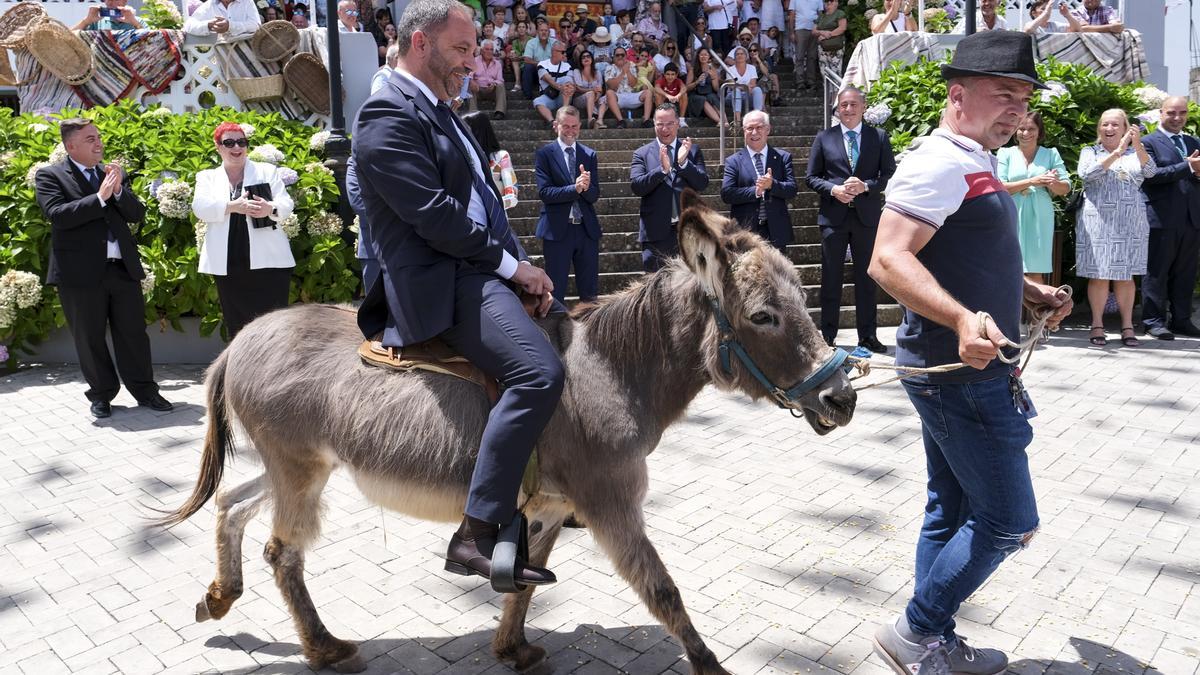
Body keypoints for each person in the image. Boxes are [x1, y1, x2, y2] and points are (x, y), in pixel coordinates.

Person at [867, 32, 1072, 675]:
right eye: (1003, 94)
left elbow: (960, 252)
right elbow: (887, 258)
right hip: (959, 371)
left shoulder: (973, 157)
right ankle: (915, 631)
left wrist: (1028, 292)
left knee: (948, 508)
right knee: (1010, 521)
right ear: (958, 95)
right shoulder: (938, 162)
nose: (1018, 108)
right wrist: (960, 317)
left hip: (963, 366)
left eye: (1024, 97)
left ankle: (929, 645)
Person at [354, 0, 562, 589]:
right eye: (461, 49)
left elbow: (487, 203)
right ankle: (474, 533)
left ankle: (549, 483)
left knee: (572, 333)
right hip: (444, 281)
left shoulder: (441, 110)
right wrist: (510, 269)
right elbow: (435, 216)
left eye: (473, 50)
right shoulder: (384, 115)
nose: (472, 63)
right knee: (538, 374)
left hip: (480, 268)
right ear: (419, 43)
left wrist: (521, 266)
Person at [34, 118, 171, 419]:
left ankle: (146, 391)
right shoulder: (50, 176)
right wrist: (100, 198)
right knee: (89, 336)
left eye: (99, 137)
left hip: (122, 268)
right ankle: (101, 395)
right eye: (90, 139)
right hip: (79, 274)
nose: (99, 143)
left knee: (134, 333)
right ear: (71, 146)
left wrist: (119, 191)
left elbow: (136, 214)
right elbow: (57, 215)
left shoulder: (109, 174)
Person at [806, 86, 894, 351]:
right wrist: (834, 190)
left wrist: (865, 186)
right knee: (830, 278)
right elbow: (811, 177)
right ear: (837, 108)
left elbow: (888, 174)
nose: (848, 109)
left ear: (863, 107)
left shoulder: (878, 137)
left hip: (866, 217)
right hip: (834, 217)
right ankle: (828, 336)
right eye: (843, 105)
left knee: (867, 278)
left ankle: (868, 336)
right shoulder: (824, 138)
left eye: (853, 104)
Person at [192, 123, 295, 340]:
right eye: (229, 143)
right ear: (218, 147)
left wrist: (271, 208)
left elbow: (286, 204)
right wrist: (232, 207)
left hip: (269, 261)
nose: (236, 147)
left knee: (274, 325)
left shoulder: (267, 170)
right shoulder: (207, 176)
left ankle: (274, 372)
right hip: (228, 262)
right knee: (237, 326)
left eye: (241, 142)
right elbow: (200, 207)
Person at [1076, 109, 1156, 347]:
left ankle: (1127, 325)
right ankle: (1097, 324)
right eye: (1105, 125)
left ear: (1125, 128)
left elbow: (1151, 172)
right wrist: (1117, 152)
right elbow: (1087, 174)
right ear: (1099, 128)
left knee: (1125, 275)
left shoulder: (1135, 153)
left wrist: (1137, 145)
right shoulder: (1090, 151)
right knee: (1099, 274)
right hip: (1098, 220)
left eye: (1115, 125)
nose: (1109, 129)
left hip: (1131, 222)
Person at [1140, 95, 1200, 339]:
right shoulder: (1147, 142)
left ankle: (1182, 320)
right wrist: (1188, 167)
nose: (1177, 118)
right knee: (1157, 271)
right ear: (1160, 113)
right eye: (1171, 113)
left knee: (1185, 273)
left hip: (1191, 218)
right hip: (1161, 218)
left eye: (1182, 113)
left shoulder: (1192, 140)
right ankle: (1153, 321)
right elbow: (1152, 176)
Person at [630, 103, 710, 271]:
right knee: (657, 289)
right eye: (660, 124)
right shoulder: (642, 153)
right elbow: (637, 186)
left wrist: (684, 163)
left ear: (678, 123)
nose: (664, 129)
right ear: (654, 124)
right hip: (655, 234)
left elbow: (702, 183)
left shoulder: (692, 151)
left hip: (689, 233)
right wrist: (662, 170)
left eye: (669, 124)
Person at [534, 107, 601, 303]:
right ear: (556, 125)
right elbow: (545, 193)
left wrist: (586, 188)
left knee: (590, 293)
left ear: (580, 126)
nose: (570, 130)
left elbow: (594, 195)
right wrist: (575, 188)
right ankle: (554, 333)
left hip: (586, 231)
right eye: (565, 126)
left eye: (574, 126)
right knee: (555, 291)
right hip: (557, 232)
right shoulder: (545, 154)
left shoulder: (589, 154)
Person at [996, 111, 1070, 285]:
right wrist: (1033, 181)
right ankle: (1010, 312)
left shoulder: (1051, 154)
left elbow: (1065, 188)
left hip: (1040, 215)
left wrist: (1052, 182)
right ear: (1015, 130)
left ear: (1039, 131)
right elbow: (999, 186)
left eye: (1031, 129)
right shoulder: (1005, 153)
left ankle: (1039, 310)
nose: (1026, 133)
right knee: (1009, 267)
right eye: (1021, 128)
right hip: (1012, 212)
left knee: (1036, 269)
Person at [720, 110, 797, 250]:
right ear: (744, 131)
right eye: (750, 128)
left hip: (776, 230)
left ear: (768, 129)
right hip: (745, 232)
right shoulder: (733, 161)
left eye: (759, 127)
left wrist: (772, 185)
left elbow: (792, 189)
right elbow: (727, 193)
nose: (754, 132)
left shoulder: (782, 157)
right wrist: (756, 190)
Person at [603, 47, 653, 127]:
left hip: (632, 95)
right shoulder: (609, 68)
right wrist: (623, 73)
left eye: (622, 55)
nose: (620, 57)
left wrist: (628, 70)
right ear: (614, 57)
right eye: (617, 55)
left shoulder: (632, 66)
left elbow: (633, 84)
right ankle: (620, 121)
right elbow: (612, 85)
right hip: (618, 97)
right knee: (609, 93)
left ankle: (646, 120)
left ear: (626, 56)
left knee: (648, 93)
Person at [533, 42, 575, 125]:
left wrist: (564, 87)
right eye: (562, 52)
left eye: (565, 51)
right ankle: (552, 122)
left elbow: (570, 82)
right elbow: (548, 80)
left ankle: (563, 115)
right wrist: (560, 87)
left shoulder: (567, 66)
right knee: (537, 101)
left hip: (563, 97)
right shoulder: (542, 64)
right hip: (549, 96)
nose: (565, 54)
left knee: (568, 81)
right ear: (554, 52)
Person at [725, 47, 764, 130]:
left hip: (748, 94)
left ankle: (758, 118)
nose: (740, 55)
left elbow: (753, 83)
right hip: (732, 96)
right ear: (734, 57)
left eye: (742, 54)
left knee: (757, 89)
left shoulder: (752, 68)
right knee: (736, 90)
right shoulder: (730, 69)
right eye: (737, 54)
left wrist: (741, 86)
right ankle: (737, 120)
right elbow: (732, 85)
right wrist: (745, 87)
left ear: (746, 56)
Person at [469, 39, 508, 119]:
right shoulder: (474, 61)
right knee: (469, 84)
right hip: (478, 90)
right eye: (487, 49)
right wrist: (472, 81)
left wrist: (494, 84)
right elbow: (469, 76)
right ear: (482, 50)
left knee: (500, 85)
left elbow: (500, 79)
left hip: (491, 90)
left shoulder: (497, 64)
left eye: (491, 49)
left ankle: (499, 112)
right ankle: (473, 113)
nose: (489, 52)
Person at [570, 50, 608, 128]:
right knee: (590, 94)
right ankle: (590, 119)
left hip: (594, 98)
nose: (586, 58)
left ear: (592, 59)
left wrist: (597, 95)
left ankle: (599, 120)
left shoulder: (597, 73)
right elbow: (578, 89)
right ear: (580, 61)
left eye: (588, 56)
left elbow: (600, 89)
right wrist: (593, 91)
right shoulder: (577, 71)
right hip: (579, 99)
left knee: (606, 98)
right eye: (583, 57)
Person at [789, 0, 822, 89]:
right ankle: (800, 81)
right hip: (800, 28)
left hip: (814, 30)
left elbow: (821, 15)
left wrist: (820, 30)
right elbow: (792, 14)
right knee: (799, 56)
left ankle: (811, 81)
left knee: (812, 57)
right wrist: (792, 32)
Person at [685, 47, 722, 124]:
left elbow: (716, 89)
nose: (703, 57)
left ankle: (725, 121)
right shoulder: (693, 69)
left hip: (709, 94)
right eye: (701, 55)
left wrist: (713, 78)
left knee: (712, 97)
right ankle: (719, 121)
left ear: (709, 57)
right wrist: (697, 82)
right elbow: (687, 88)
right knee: (702, 99)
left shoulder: (712, 69)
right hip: (695, 95)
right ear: (698, 56)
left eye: (706, 55)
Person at [812, 0, 847, 78]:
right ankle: (826, 89)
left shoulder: (840, 13)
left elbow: (842, 28)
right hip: (823, 47)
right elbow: (814, 31)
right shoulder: (821, 16)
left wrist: (828, 34)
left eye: (831, 1)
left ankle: (836, 90)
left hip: (836, 46)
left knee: (836, 70)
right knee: (823, 70)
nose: (828, 3)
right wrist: (822, 32)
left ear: (837, 2)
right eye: (826, 1)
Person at [184, 0, 262, 35]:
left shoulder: (247, 2)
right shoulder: (210, 4)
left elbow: (256, 25)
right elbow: (189, 25)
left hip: (246, 54)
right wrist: (208, 25)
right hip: (218, 59)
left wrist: (230, 26)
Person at [73, 0, 142, 30]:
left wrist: (135, 23)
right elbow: (68, 40)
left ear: (125, 1)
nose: (108, 3)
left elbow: (151, 41)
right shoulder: (97, 21)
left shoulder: (137, 21)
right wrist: (86, 21)